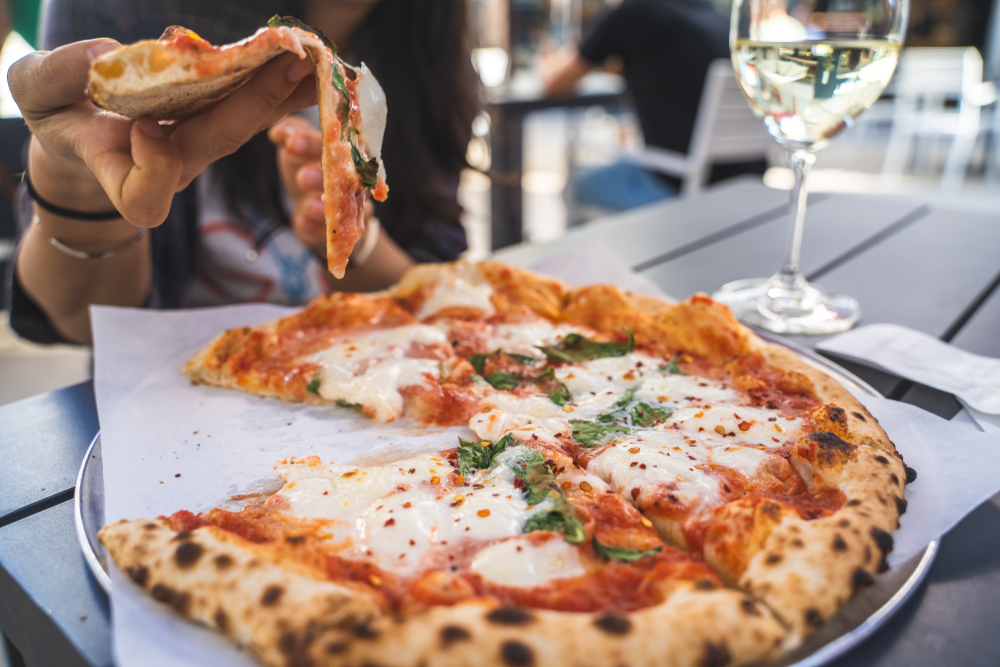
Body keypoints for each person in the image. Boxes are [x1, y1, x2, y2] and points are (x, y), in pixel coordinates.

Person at [6, 0, 477, 345]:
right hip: (173, 408)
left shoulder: (434, 52)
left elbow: (447, 305)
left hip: (378, 403)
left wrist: (347, 231)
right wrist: (75, 179)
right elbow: (83, 321)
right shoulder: (124, 10)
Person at [542, 0, 766, 193]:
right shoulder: (714, 15)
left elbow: (553, 85)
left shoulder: (632, 13)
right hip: (745, 182)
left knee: (577, 185)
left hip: (680, 183)